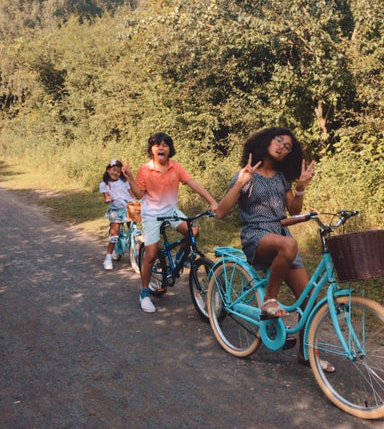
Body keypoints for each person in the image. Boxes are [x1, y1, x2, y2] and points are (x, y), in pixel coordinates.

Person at [215, 127, 335, 373]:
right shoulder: (247, 173)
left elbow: (293, 209)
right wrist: (239, 183)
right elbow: (221, 212)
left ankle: (305, 353)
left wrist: (300, 186)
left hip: (281, 237)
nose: (282, 146)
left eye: (287, 146)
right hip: (255, 236)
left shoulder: (282, 178)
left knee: (310, 300)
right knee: (289, 244)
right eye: (279, 140)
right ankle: (269, 301)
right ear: (267, 141)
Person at [123, 132, 218, 313]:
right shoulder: (145, 169)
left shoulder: (176, 167)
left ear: (169, 149)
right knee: (151, 254)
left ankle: (178, 260)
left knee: (193, 232)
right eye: (157, 145)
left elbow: (193, 184)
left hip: (171, 211)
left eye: (165, 144)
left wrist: (212, 201)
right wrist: (129, 177)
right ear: (151, 149)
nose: (161, 147)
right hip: (151, 213)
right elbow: (139, 195)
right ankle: (144, 293)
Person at [99, 159, 135, 270]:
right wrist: (108, 199)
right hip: (117, 210)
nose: (115, 173)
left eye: (118, 171)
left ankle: (135, 251)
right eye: (113, 170)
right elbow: (106, 198)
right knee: (115, 235)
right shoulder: (104, 185)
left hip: (130, 208)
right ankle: (108, 258)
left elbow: (131, 193)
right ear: (108, 170)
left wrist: (134, 200)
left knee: (134, 230)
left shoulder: (124, 181)